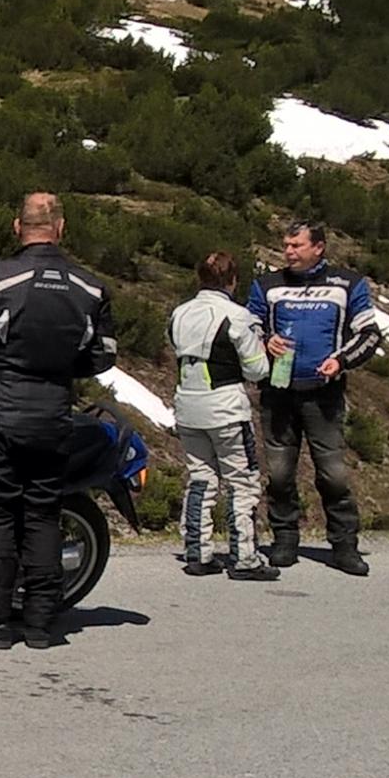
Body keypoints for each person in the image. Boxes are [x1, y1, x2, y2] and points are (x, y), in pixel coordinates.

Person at [0, 192, 118, 650]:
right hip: (51, 412)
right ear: (61, 229)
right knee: (43, 511)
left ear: (17, 226)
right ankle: (39, 623)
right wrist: (59, 367)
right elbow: (104, 356)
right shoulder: (91, 288)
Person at [246, 220, 384, 575]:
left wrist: (340, 361)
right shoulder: (267, 284)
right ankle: (284, 540)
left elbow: (369, 334)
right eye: (286, 245)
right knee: (279, 473)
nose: (288, 251)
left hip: (324, 394)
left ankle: (344, 545)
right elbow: (248, 327)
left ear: (318, 248)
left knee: (333, 473)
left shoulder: (348, 284)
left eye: (296, 245)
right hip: (278, 392)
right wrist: (266, 341)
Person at [169, 249, 275, 580]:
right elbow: (257, 370)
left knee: (201, 478)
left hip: (188, 405)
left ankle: (197, 552)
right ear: (232, 281)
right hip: (226, 406)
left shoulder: (179, 313)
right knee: (242, 482)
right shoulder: (237, 316)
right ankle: (244, 557)